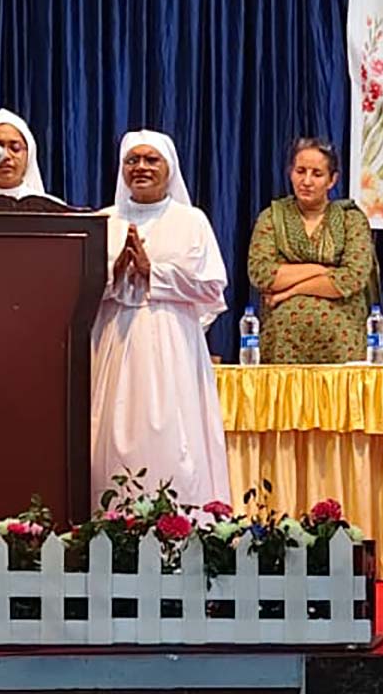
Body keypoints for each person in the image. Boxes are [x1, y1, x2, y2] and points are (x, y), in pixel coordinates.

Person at [89, 130, 230, 506]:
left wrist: (154, 273)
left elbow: (212, 290)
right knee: (111, 436)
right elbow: (76, 292)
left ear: (170, 168)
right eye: (132, 160)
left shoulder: (191, 221)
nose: (141, 167)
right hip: (115, 345)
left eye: (152, 160)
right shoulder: (104, 221)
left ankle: (178, 526)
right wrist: (114, 272)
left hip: (173, 349)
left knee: (174, 437)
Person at [245, 138, 377, 363]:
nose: (306, 181)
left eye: (317, 174)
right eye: (300, 171)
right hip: (282, 341)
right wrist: (321, 270)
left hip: (341, 341)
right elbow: (262, 274)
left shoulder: (350, 219)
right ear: (290, 173)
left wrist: (289, 291)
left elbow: (352, 277)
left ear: (332, 180)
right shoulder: (272, 217)